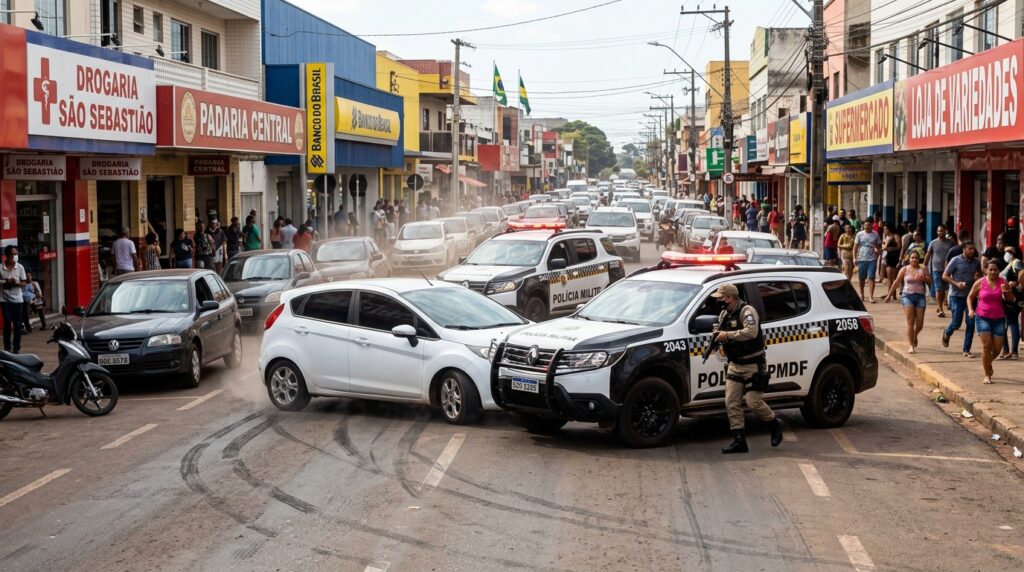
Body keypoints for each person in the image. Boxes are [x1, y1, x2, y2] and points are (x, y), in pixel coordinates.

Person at [712, 284, 784, 454]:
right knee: (731, 402)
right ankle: (739, 441)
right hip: (735, 365)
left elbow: (751, 332)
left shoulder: (747, 311)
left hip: (753, 364)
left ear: (730, 297)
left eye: (721, 298)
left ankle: (774, 424)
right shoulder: (724, 314)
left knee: (753, 402)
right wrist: (716, 334)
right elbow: (719, 329)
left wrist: (728, 335)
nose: (718, 301)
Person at [967, 261, 1015, 384]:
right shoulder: (980, 282)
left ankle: (987, 362)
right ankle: (987, 374)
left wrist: (1006, 292)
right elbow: (970, 297)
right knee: (987, 346)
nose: (993, 272)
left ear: (999, 271)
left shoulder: (1003, 282)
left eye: (995, 270)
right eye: (991, 269)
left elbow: (1012, 299)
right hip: (982, 317)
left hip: (999, 318)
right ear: (986, 270)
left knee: (998, 348)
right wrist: (971, 310)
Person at [885, 251, 931, 354]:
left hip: (920, 297)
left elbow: (930, 281)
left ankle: (914, 335)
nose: (914, 259)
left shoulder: (923, 269)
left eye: (916, 258)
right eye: (912, 258)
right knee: (910, 322)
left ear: (919, 259)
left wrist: (924, 278)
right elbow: (896, 282)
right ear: (909, 259)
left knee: (920, 323)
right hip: (907, 297)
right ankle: (911, 345)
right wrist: (889, 295)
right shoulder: (904, 269)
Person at [942, 241, 981, 357]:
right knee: (956, 323)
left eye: (973, 249)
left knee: (971, 323)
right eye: (970, 249)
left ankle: (966, 350)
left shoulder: (976, 262)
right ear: (964, 249)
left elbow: (981, 276)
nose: (972, 251)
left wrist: (978, 277)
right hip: (957, 296)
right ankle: (947, 332)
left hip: (971, 297)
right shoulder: (955, 260)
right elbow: (945, 276)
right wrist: (957, 284)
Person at [998, 247, 1023, 360]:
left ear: (1012, 254)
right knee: (1010, 322)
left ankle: (1010, 351)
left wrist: (1016, 283)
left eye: (1007, 252)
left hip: (1012, 297)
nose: (1005, 254)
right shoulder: (1010, 264)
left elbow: (1022, 272)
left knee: (1009, 322)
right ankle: (1010, 351)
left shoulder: (1016, 262)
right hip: (1013, 296)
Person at [1, 246, 27, 353]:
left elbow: (24, 282)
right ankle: (7, 346)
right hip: (4, 299)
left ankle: (16, 348)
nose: (14, 256)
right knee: (7, 321)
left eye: (16, 254)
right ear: (7, 255)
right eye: (12, 254)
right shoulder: (0, 267)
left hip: (17, 300)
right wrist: (6, 281)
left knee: (17, 324)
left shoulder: (20, 267)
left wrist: (16, 283)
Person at [925, 225, 955, 318]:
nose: (940, 232)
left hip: (949, 270)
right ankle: (941, 309)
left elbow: (955, 254)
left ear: (945, 231)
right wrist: (923, 267)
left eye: (941, 231)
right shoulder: (933, 243)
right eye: (938, 231)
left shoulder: (951, 243)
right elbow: (928, 255)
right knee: (939, 290)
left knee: (946, 290)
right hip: (936, 270)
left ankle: (939, 306)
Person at [854, 221, 882, 303]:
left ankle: (871, 296)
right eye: (866, 225)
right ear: (863, 226)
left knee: (871, 277)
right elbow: (855, 247)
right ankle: (862, 294)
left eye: (869, 225)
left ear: (872, 226)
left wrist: (877, 251)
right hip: (861, 258)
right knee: (861, 278)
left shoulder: (876, 234)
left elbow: (879, 246)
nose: (867, 226)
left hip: (872, 259)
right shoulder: (859, 234)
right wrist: (854, 258)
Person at [882, 224, 901, 290]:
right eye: (884, 229)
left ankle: (890, 293)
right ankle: (891, 293)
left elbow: (899, 246)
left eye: (885, 229)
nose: (884, 230)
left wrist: (890, 248)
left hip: (894, 257)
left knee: (893, 278)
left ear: (889, 229)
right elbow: (884, 247)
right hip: (887, 257)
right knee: (889, 278)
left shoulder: (895, 236)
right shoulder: (886, 237)